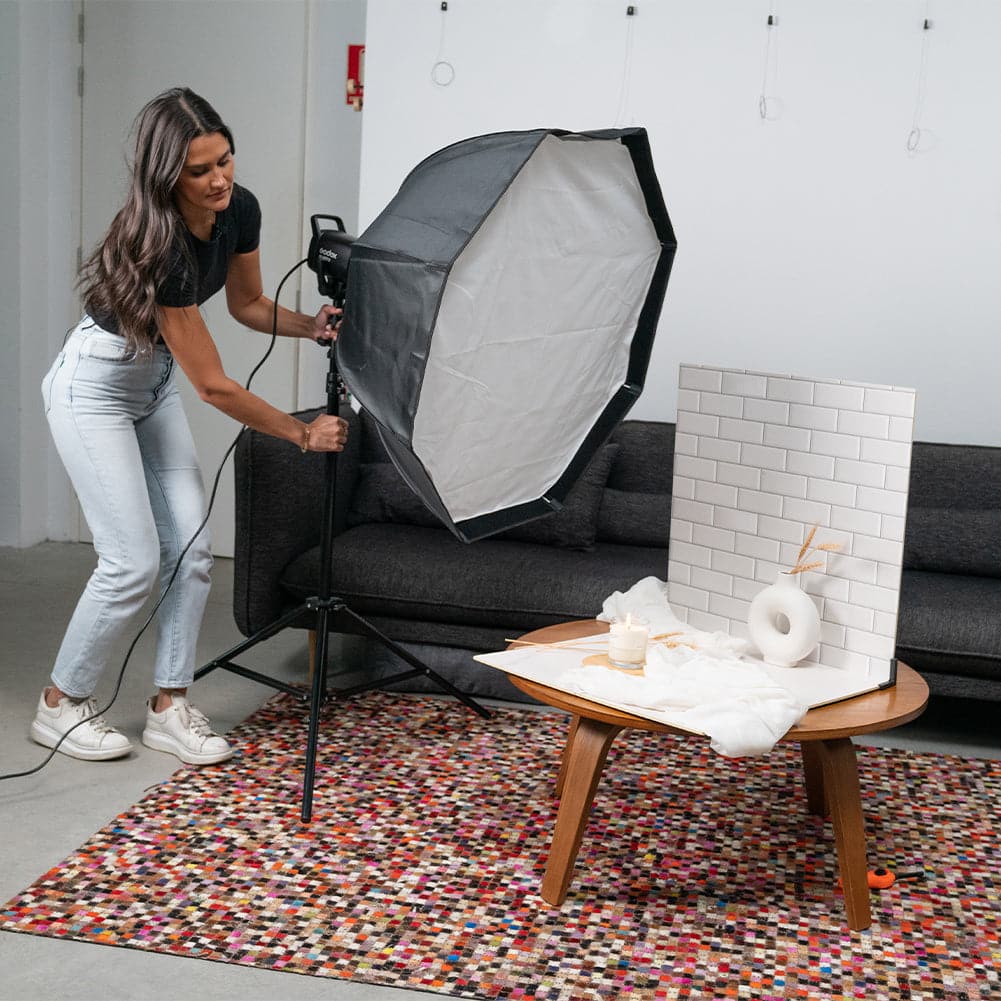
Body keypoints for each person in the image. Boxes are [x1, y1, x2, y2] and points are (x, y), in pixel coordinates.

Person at [33, 87, 347, 766]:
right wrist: (300, 434)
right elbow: (213, 385)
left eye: (225, 160)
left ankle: (170, 707)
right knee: (131, 562)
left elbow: (247, 303)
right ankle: (59, 705)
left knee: (193, 554)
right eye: (199, 170)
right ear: (165, 176)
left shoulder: (240, 209)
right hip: (95, 387)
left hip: (151, 383)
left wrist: (309, 326)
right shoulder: (159, 245)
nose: (219, 179)